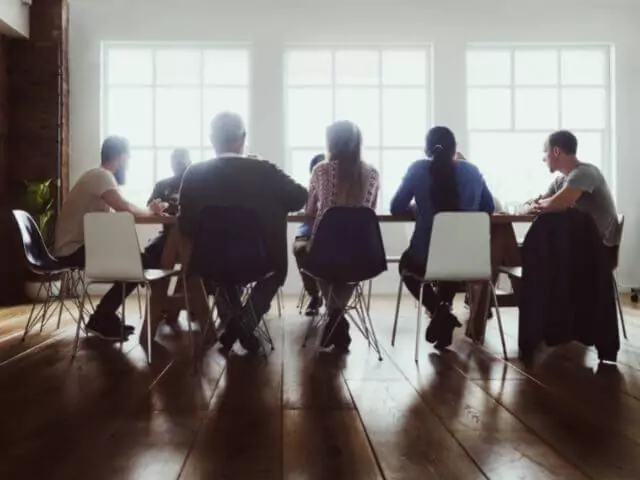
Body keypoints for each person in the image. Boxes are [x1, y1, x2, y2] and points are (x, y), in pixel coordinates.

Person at [179, 112, 307, 353]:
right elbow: (300, 197)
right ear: (243, 138)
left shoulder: (194, 174)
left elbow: (185, 225)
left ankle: (235, 325)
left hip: (209, 262)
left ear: (211, 139)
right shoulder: (265, 171)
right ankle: (244, 325)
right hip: (258, 260)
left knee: (218, 275)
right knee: (276, 272)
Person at [390, 126, 495, 349]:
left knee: (406, 266)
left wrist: (418, 210)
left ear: (428, 149)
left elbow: (396, 206)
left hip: (426, 257)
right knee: (449, 260)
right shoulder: (472, 171)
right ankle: (444, 309)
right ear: (454, 148)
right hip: (468, 258)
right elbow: (488, 207)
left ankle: (440, 311)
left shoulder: (418, 169)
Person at [55, 136, 167, 340]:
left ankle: (104, 316)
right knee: (140, 263)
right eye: (129, 159)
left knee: (138, 262)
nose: (128, 164)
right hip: (72, 249)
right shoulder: (101, 176)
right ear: (122, 158)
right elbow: (125, 208)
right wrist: (151, 211)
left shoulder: (96, 176)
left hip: (76, 247)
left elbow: (118, 215)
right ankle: (101, 317)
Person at [304, 121, 380, 351]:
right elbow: (371, 212)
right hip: (362, 250)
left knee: (315, 259)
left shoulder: (320, 170)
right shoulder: (373, 173)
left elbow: (309, 210)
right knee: (348, 271)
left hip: (324, 249)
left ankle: (334, 316)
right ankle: (337, 316)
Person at [529, 130, 620, 247]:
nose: (543, 158)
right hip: (580, 243)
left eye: (545, 152)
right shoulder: (560, 181)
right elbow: (545, 201)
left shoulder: (584, 173)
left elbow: (557, 203)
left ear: (556, 151)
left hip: (599, 249)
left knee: (541, 240)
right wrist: (537, 203)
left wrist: (538, 204)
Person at [292, 153, 325, 316]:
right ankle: (314, 295)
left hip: (334, 235)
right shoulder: (305, 191)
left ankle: (334, 297)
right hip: (307, 234)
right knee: (300, 250)